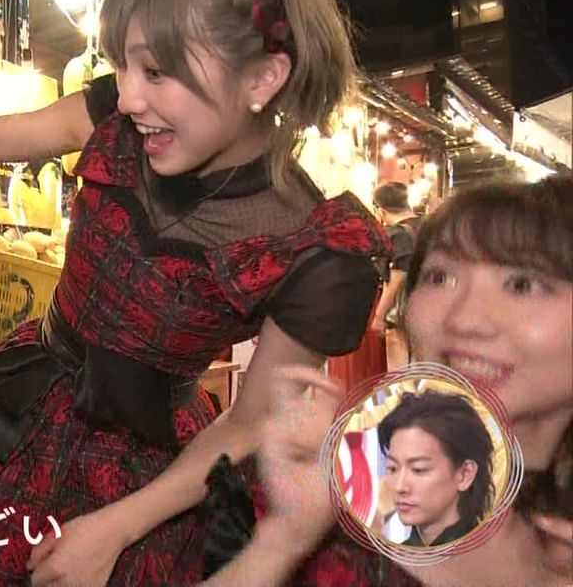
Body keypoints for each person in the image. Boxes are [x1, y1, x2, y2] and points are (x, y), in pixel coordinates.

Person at [0, 0, 403, 586]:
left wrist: (118, 526)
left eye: (156, 72)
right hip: (22, 406)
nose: (128, 96)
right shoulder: (114, 118)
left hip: (152, 474)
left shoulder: (319, 248)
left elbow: (249, 423)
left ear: (262, 79)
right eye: (124, 66)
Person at [209, 176, 572, 586]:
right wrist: (282, 540)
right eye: (440, 277)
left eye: (523, 285)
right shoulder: (311, 481)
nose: (463, 320)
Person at [374, 390, 495, 547]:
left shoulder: (496, 556)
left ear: (465, 474)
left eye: (418, 469)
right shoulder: (388, 558)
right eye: (392, 469)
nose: (400, 487)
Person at [370, 181, 423, 370]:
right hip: (432, 308)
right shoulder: (430, 225)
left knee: (399, 372)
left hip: (402, 315)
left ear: (380, 210)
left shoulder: (397, 235)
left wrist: (379, 316)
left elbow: (396, 279)